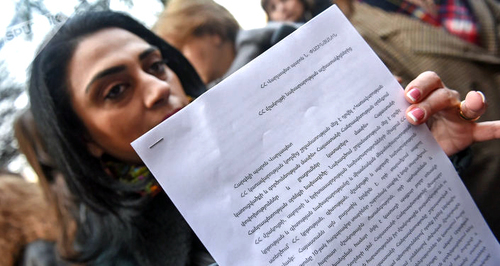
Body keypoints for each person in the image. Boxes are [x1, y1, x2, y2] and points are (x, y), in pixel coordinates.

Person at [29, 10, 499, 265]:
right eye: (115, 90)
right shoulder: (111, 255)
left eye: (155, 65)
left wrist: (425, 159)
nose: (157, 87)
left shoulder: (270, 135)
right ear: (84, 139)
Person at [154, 0, 300, 88]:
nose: (181, 67)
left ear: (213, 33)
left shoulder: (284, 41)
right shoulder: (204, 106)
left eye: (181, 52)